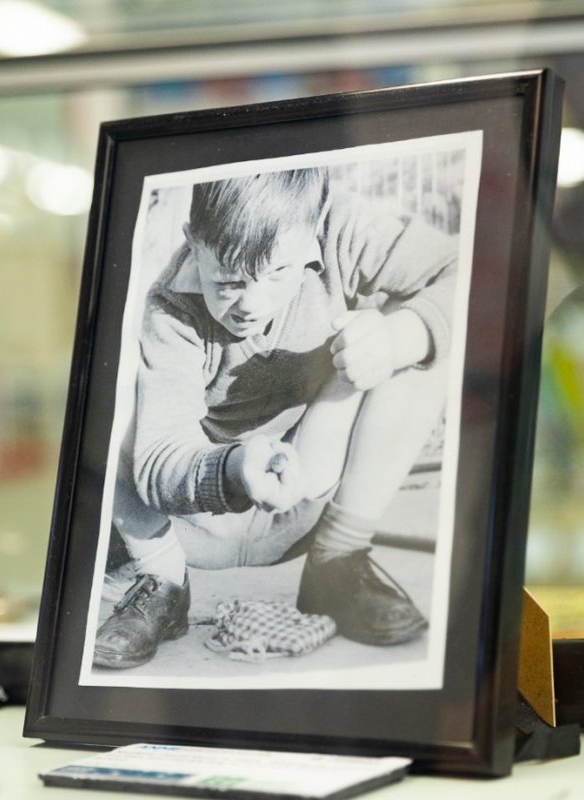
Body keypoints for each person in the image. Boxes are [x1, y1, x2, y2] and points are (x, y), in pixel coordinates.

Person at [93, 166, 458, 669]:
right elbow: (157, 464)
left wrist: (401, 338)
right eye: (228, 281)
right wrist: (235, 467)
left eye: (280, 273)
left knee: (422, 344)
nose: (253, 304)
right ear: (192, 240)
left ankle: (338, 559)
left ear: (313, 231)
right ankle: (162, 584)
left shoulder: (342, 226)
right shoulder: (171, 310)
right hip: (192, 526)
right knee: (103, 375)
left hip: (305, 496)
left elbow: (478, 273)